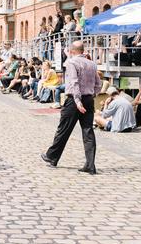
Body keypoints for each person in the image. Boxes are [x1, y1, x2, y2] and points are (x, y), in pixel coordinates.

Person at [41, 41, 102, 174]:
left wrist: (78, 101)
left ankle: (52, 156)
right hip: (89, 98)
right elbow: (98, 83)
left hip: (74, 101)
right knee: (88, 132)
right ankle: (90, 165)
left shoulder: (71, 63)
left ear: (71, 50)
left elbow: (74, 82)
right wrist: (93, 95)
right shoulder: (92, 64)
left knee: (64, 129)